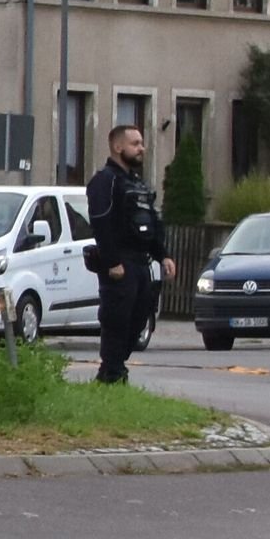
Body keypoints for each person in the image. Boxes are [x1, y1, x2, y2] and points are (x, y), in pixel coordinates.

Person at [82, 119, 170, 385]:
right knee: (116, 319)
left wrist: (163, 255)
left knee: (139, 319)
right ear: (118, 147)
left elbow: (152, 223)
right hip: (120, 265)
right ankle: (112, 373)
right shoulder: (104, 181)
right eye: (135, 143)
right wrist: (112, 261)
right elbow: (101, 222)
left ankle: (114, 368)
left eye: (142, 143)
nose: (141, 148)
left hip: (142, 264)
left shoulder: (138, 184)